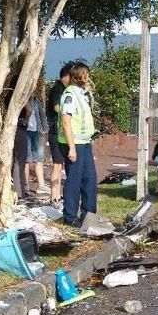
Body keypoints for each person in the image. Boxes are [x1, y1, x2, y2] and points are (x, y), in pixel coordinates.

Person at [58, 63, 98, 227]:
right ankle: (70, 216)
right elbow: (66, 122)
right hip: (74, 144)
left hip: (85, 142)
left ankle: (89, 214)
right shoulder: (69, 95)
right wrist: (72, 148)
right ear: (78, 76)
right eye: (85, 74)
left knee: (89, 179)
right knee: (74, 180)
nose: (88, 77)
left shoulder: (81, 94)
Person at [46, 66, 71, 209]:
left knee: (60, 165)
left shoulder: (63, 89)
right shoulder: (57, 89)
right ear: (66, 76)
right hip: (55, 132)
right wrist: (69, 111)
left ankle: (57, 195)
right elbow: (56, 107)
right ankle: (53, 196)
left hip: (59, 132)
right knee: (57, 165)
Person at [25, 94, 49, 195]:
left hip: (36, 131)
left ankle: (41, 186)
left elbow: (42, 115)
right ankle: (25, 186)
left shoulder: (36, 101)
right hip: (25, 131)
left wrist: (45, 128)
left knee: (39, 159)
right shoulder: (22, 99)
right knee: (26, 160)